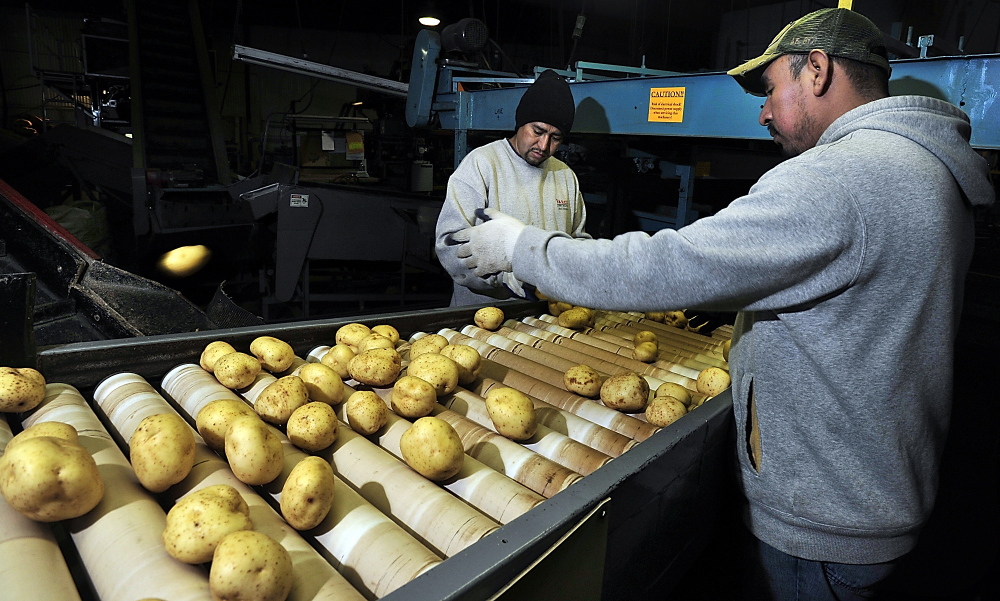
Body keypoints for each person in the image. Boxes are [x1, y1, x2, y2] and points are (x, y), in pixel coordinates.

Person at [449, 7, 995, 600]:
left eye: (769, 89)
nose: (763, 112)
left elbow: (668, 266)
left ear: (816, 70)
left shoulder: (839, 177)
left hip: (824, 515)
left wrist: (520, 247)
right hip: (883, 486)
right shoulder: (931, 170)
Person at [435, 68, 590, 306]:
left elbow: (577, 240)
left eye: (556, 137)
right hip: (481, 316)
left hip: (546, 316)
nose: (544, 144)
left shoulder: (565, 176)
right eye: (537, 131)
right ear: (520, 123)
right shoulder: (482, 165)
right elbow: (449, 244)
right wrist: (506, 279)